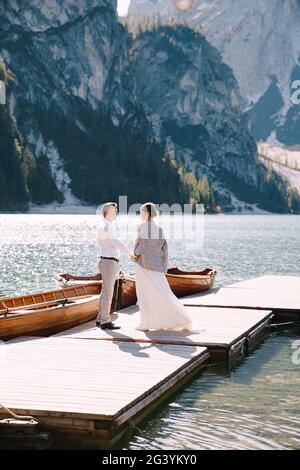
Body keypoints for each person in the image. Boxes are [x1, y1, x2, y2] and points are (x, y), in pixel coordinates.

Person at [134, 203, 193, 332]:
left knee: (145, 294)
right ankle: (181, 318)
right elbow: (164, 249)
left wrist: (135, 254)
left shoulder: (143, 227)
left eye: (142, 212)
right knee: (163, 293)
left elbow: (140, 246)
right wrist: (164, 266)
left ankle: (146, 323)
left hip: (144, 265)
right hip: (157, 266)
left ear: (147, 214)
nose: (141, 215)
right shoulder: (159, 229)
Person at [96, 202, 136, 330]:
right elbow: (115, 242)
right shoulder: (108, 227)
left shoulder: (103, 226)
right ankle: (105, 321)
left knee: (105, 291)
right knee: (108, 292)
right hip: (109, 262)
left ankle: (100, 318)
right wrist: (130, 254)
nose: (116, 212)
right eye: (114, 210)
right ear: (107, 213)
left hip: (105, 261)